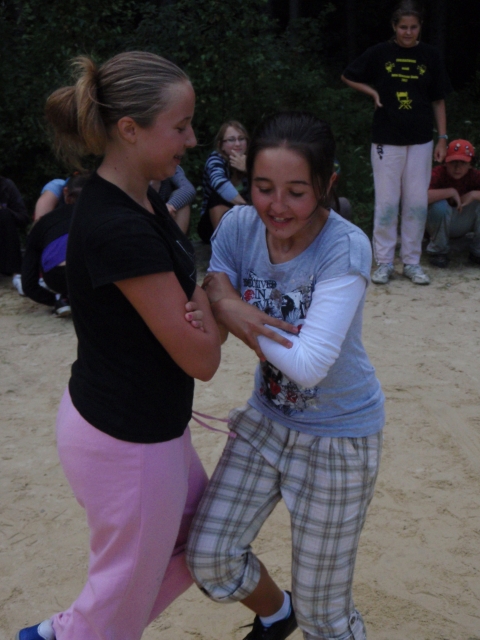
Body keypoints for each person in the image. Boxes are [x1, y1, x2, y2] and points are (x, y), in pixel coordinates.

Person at [16, 51, 221, 640]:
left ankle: (59, 633)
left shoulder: (142, 197)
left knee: (207, 544)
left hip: (144, 429)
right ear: (130, 130)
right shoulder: (118, 225)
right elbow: (202, 358)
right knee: (113, 619)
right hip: (129, 446)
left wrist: (200, 301)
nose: (192, 139)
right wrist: (214, 300)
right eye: (181, 126)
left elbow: (187, 301)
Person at [186, 112, 384, 640]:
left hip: (338, 436)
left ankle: (312, 618)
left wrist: (230, 305)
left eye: (297, 192)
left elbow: (310, 365)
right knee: (209, 555)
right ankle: (278, 612)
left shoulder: (345, 246)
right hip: (266, 420)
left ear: (326, 184)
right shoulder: (237, 226)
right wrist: (222, 304)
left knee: (324, 616)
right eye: (263, 187)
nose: (277, 206)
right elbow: (213, 313)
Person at [341, 0, 451, 286]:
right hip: (386, 139)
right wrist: (373, 93)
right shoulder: (380, 53)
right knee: (387, 202)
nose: (408, 32)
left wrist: (442, 138)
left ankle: (412, 262)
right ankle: (385, 262)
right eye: (403, 27)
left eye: (413, 27)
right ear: (394, 27)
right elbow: (348, 75)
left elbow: (438, 99)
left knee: (416, 202)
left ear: (420, 27)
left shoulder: (430, 55)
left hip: (421, 139)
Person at [21, 173, 90, 317]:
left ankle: (64, 299)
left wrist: (53, 299)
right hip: (90, 274)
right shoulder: (102, 214)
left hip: (56, 277)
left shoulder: (42, 223)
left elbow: (28, 285)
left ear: (66, 195)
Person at [426, 139, 480, 267]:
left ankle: (477, 251)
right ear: (446, 162)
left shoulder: (474, 175)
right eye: (453, 162)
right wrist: (450, 192)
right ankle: (439, 251)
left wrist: (474, 194)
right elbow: (418, 198)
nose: (457, 167)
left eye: (463, 163)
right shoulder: (438, 173)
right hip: (435, 225)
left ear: (470, 164)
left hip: (462, 221)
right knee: (440, 206)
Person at [197, 120, 249, 243]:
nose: (237, 144)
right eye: (231, 140)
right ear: (221, 145)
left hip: (245, 221)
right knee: (217, 196)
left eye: (241, 139)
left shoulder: (252, 161)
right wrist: (248, 208)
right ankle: (223, 244)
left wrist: (248, 169)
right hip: (210, 224)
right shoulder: (215, 159)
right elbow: (219, 183)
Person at [0, 174, 29, 295]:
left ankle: (17, 275)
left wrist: (3, 210)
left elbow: (23, 218)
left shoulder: (6, 186)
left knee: (5, 215)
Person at [151, 164, 196, 234]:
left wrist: (167, 208)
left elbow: (188, 189)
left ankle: (178, 240)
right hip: (143, 219)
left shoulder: (170, 166)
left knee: (183, 202)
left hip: (167, 218)